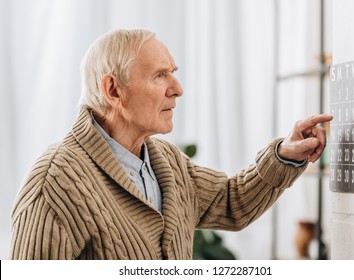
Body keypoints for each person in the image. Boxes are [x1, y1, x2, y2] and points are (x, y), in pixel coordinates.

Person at [9, 29, 333, 260]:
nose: (177, 88)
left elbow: (232, 202)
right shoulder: (55, 181)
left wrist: (284, 156)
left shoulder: (166, 160)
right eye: (160, 76)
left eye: (173, 73)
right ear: (113, 90)